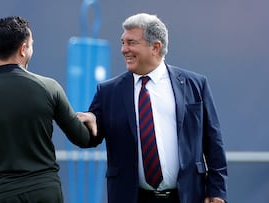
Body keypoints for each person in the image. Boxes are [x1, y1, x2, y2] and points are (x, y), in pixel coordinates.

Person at [78, 13, 228, 203]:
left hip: (188, 196)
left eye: (131, 42)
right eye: (122, 42)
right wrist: (87, 121)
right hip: (132, 197)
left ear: (155, 47)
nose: (124, 49)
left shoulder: (195, 84)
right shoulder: (108, 92)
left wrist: (217, 191)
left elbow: (213, 141)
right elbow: (90, 139)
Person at [0, 16, 96, 203]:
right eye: (32, 44)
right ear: (23, 49)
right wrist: (92, 120)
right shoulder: (49, 88)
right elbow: (83, 139)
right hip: (45, 193)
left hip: (1, 195)